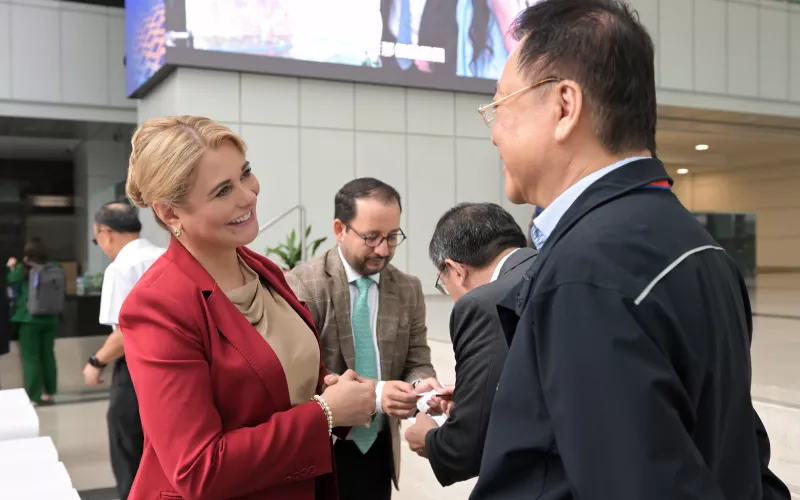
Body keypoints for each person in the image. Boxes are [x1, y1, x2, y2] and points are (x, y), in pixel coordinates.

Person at [472, 1, 790, 499]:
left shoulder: (588, 272)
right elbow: (737, 449)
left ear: (564, 106)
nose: (493, 134)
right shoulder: (700, 247)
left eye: (499, 106)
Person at [118, 116, 376, 500]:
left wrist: (332, 390)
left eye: (245, 173)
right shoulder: (158, 306)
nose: (248, 195)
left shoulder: (260, 268)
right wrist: (324, 413)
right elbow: (197, 469)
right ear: (171, 213)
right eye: (223, 190)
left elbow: (276, 381)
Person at [286, 177, 439, 500]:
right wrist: (377, 394)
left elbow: (417, 358)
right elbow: (301, 375)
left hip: (379, 449)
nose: (383, 250)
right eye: (371, 237)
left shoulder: (408, 289)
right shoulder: (304, 285)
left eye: (393, 237)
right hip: (322, 447)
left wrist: (420, 387)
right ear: (339, 229)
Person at [404, 202, 536, 486]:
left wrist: (429, 439)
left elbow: (464, 448)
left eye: (443, 283)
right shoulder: (550, 268)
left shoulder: (481, 304)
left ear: (455, 269)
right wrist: (474, 396)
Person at [83, 201, 165, 500]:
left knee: (128, 446)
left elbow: (125, 333)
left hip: (137, 370)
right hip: (176, 364)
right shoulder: (166, 256)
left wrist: (96, 361)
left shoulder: (121, 267)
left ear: (105, 233)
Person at [6, 238, 61, 405]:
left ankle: (34, 396)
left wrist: (11, 266)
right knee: (48, 356)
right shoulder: (55, 267)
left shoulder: (23, 269)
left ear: (27, 255)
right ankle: (50, 392)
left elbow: (10, 280)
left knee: (31, 358)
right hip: (51, 318)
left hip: (29, 319)